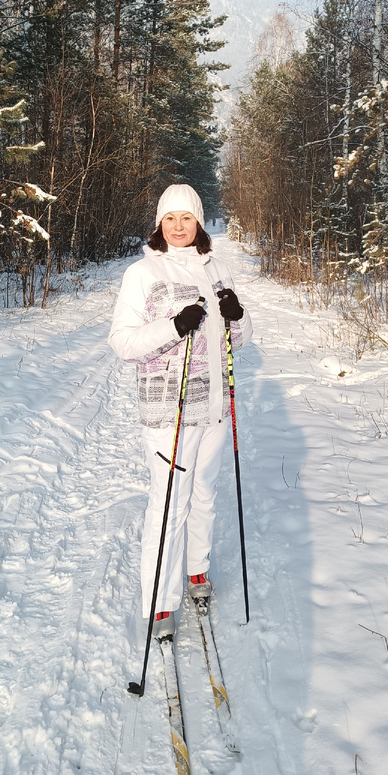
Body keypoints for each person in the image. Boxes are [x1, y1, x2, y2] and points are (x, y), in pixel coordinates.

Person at [109, 183, 252, 638]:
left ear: (199, 221)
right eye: (169, 218)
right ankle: (160, 599)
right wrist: (174, 326)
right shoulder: (141, 274)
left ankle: (196, 570)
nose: (177, 227)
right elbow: (124, 343)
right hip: (167, 412)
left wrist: (237, 314)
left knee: (204, 495)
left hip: (212, 410)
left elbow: (241, 340)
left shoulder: (217, 268)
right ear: (158, 223)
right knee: (169, 503)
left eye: (185, 218)